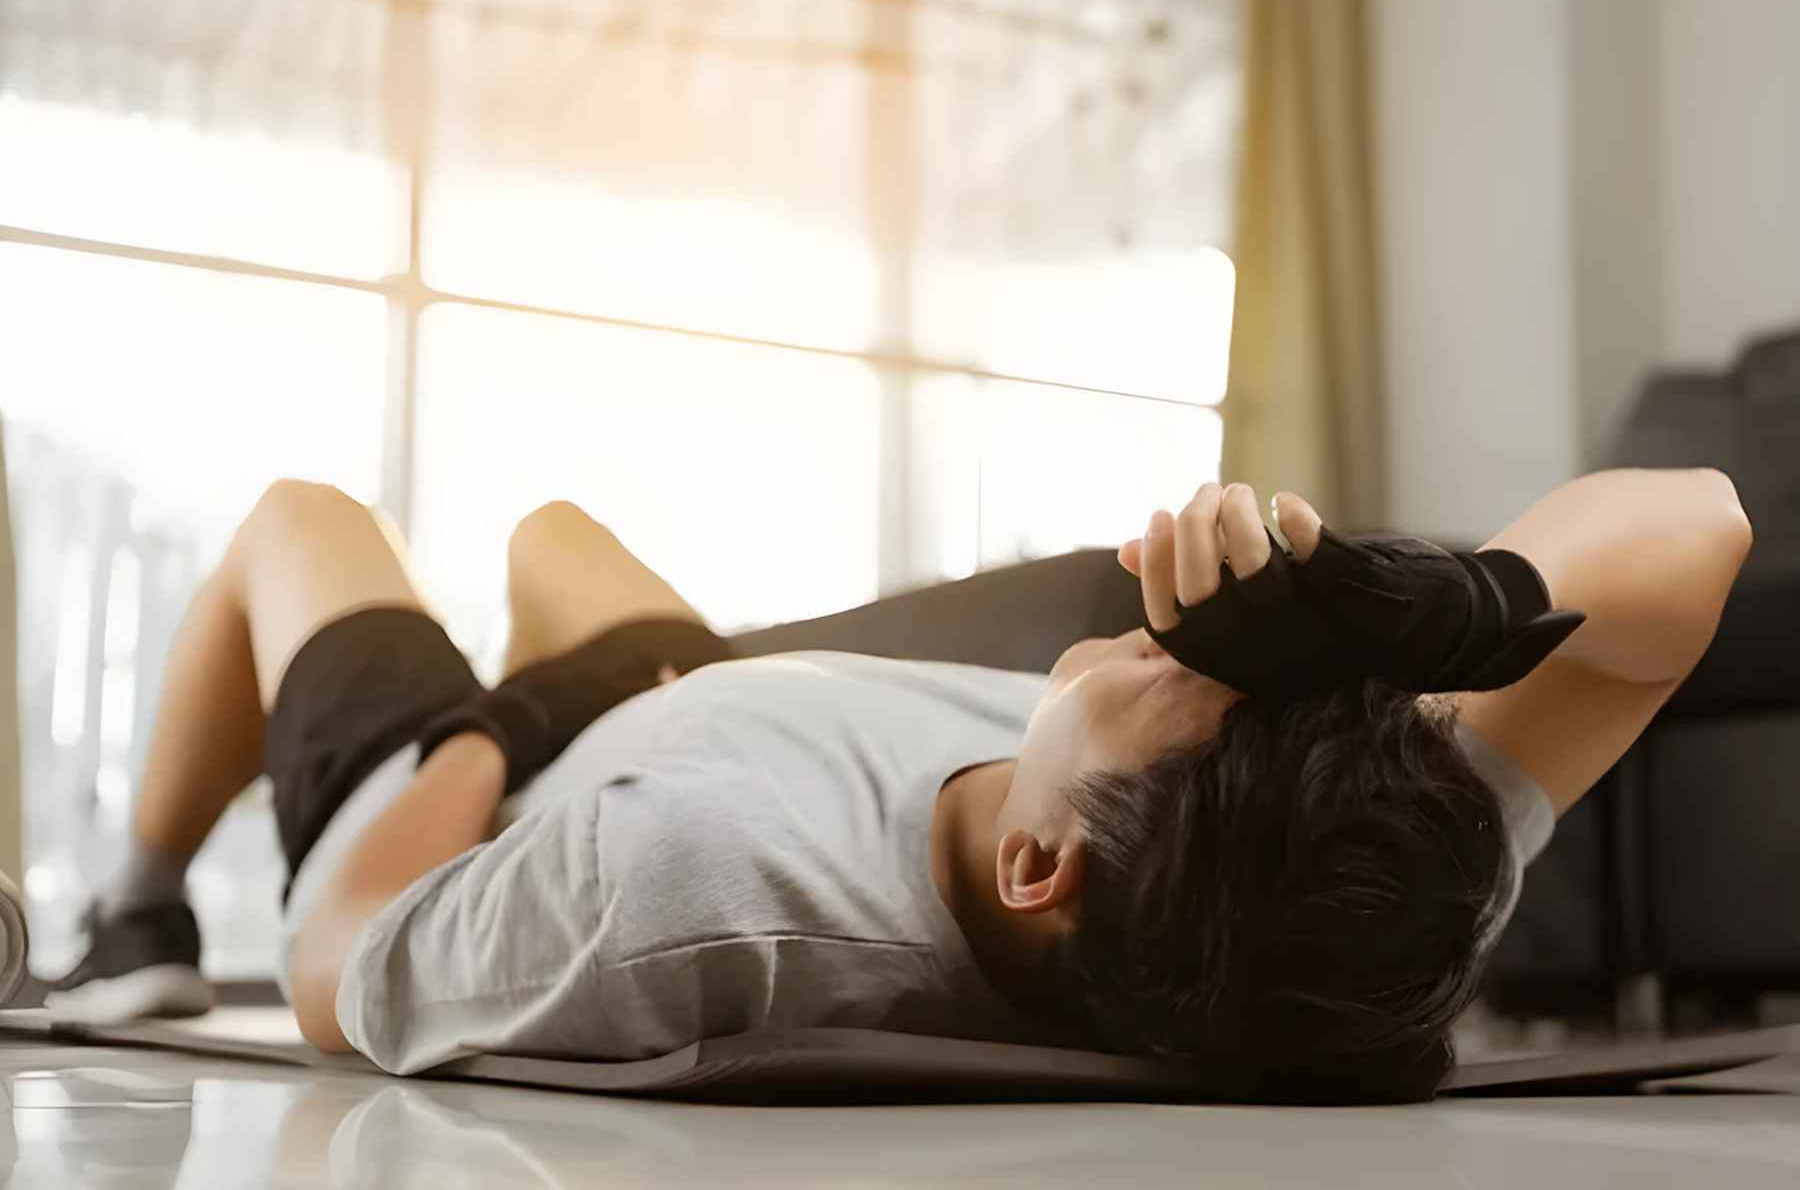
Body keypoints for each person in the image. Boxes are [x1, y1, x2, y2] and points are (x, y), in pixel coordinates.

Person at [49, 469, 1752, 1103]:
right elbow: (1704, 529)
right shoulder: (1357, 877)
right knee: (557, 534)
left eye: (1181, 682)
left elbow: (340, 967)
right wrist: (1448, 602)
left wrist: (491, 732)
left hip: (504, 781)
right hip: (690, 705)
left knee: (304, 521)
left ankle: (132, 895)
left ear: (1037, 869)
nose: (1175, 637)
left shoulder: (681, 893)